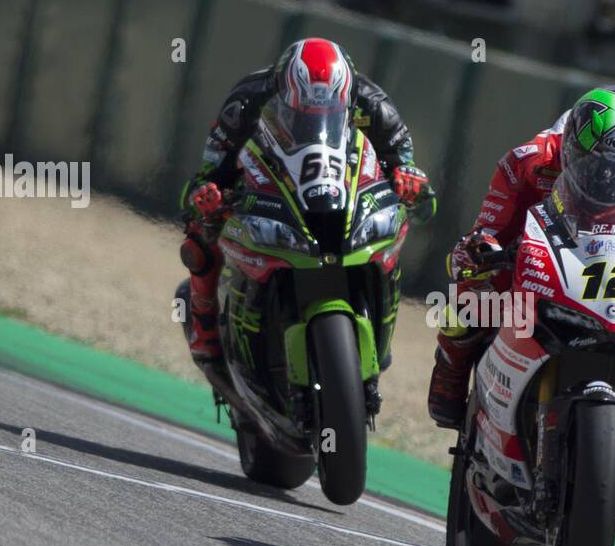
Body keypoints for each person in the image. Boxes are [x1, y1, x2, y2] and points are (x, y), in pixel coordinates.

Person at [427, 85, 615, 428]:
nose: (605, 174)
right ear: (572, 140)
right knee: (471, 292)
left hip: (604, 271)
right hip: (530, 259)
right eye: (593, 160)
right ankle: (450, 369)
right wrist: (480, 249)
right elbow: (490, 226)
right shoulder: (528, 161)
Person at [177, 37, 435, 375]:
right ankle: (206, 332)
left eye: (327, 111)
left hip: (342, 196)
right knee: (198, 235)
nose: (315, 118)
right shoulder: (246, 102)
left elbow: (410, 174)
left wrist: (411, 181)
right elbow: (207, 174)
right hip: (269, 192)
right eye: (304, 113)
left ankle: (378, 337)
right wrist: (207, 195)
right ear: (283, 92)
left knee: (391, 236)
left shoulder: (374, 106)